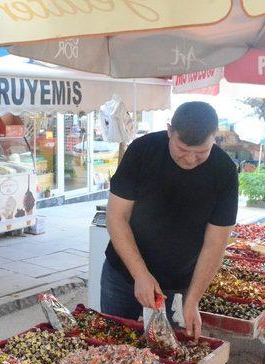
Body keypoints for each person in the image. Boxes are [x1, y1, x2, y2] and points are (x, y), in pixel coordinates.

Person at [101, 101, 238, 340]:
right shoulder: (142, 151)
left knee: (167, 360)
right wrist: (140, 275)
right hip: (123, 275)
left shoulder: (224, 171)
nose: (190, 159)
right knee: (114, 348)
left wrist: (193, 299)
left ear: (214, 138)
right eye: (183, 149)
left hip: (179, 286)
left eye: (201, 152)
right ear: (169, 131)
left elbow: (215, 243)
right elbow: (116, 217)